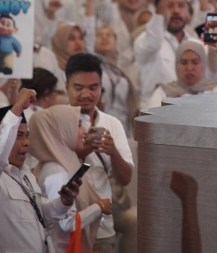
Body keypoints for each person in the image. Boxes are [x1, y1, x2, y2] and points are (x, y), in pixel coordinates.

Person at [65, 53, 134, 253]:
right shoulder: (53, 122)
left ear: (101, 87)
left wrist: (113, 153)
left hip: (102, 228)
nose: (86, 94)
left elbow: (126, 179)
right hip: (66, 226)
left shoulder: (112, 123)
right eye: (78, 88)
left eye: (93, 87)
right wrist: (79, 153)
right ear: (66, 85)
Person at [0, 88, 82, 252]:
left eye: (27, 136)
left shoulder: (26, 175)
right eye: (18, 135)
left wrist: (63, 202)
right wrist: (17, 107)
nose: (26, 143)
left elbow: (42, 214)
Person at [29, 104, 111, 252]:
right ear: (61, 131)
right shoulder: (57, 173)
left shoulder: (54, 164)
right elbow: (66, 223)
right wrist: (99, 207)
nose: (83, 131)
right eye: (78, 125)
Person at [147, 39, 217, 108]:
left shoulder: (216, 91)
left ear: (203, 64)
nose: (189, 68)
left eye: (195, 62)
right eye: (183, 63)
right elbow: (150, 123)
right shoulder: (163, 91)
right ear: (176, 65)